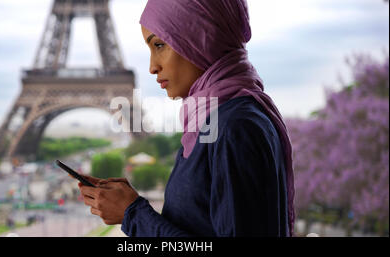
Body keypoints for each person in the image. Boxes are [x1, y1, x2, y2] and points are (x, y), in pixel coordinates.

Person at [76, 0, 295, 237]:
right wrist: (128, 205)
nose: (152, 67)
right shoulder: (212, 122)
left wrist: (133, 214)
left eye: (159, 45)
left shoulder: (234, 127)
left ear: (200, 37)